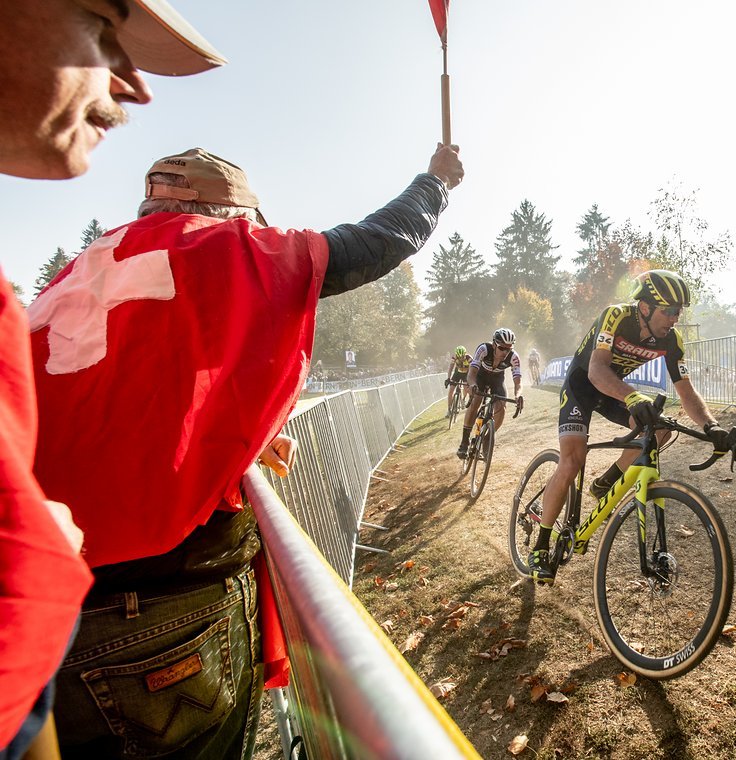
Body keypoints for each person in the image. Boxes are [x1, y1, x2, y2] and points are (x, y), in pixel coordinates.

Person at [28, 144, 463, 758]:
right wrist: (436, 185)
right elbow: (378, 240)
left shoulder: (77, 271)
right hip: (161, 611)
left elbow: (145, 390)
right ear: (228, 211)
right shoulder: (222, 247)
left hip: (38, 616)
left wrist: (246, 436)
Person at [0, 3, 224, 757]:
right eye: (103, 27)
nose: (136, 86)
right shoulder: (205, 259)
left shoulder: (78, 271)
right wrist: (434, 186)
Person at [528, 270, 734, 584]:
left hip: (613, 391)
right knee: (571, 461)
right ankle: (542, 543)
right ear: (645, 307)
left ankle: (606, 482)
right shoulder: (616, 317)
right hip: (583, 386)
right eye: (669, 310)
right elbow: (597, 370)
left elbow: (686, 391)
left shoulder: (671, 339)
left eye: (679, 311)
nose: (675, 318)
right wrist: (633, 396)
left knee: (662, 428)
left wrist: (711, 425)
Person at [457, 328, 524, 459]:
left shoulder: (514, 357)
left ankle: (487, 439)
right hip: (480, 377)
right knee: (476, 402)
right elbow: (471, 374)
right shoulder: (483, 349)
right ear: (494, 344)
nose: (505, 352)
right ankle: (465, 441)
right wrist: (473, 385)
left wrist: (518, 395)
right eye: (502, 348)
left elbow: (518, 382)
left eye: (508, 349)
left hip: (497, 380)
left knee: (502, 408)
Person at [445, 345, 473, 411]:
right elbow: (450, 368)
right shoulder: (454, 357)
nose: (460, 358)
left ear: (465, 354)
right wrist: (448, 378)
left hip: (466, 374)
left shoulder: (469, 358)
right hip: (457, 373)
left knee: (466, 388)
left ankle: (464, 399)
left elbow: (472, 369)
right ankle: (449, 409)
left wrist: (471, 380)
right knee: (450, 391)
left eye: (462, 356)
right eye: (459, 357)